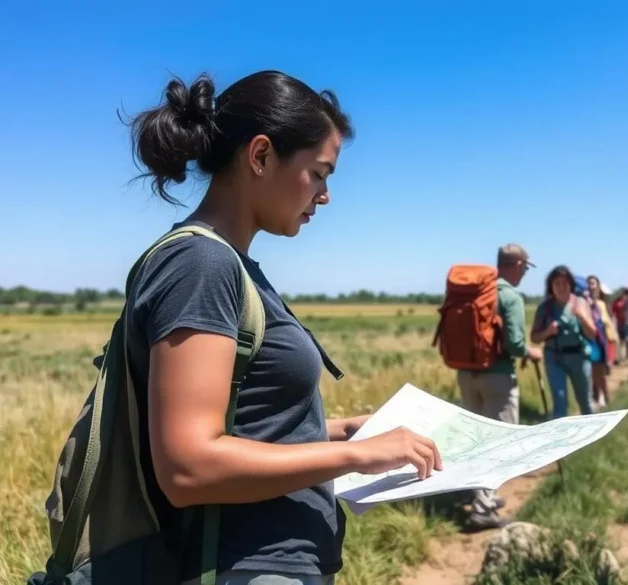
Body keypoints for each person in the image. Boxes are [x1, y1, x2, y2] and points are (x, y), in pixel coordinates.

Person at [121, 70, 442, 585]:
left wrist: (337, 430)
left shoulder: (235, 266)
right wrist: (355, 455)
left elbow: (248, 423)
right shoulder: (201, 265)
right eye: (319, 173)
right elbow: (189, 466)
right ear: (261, 155)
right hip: (244, 564)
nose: (325, 195)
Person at [455, 243, 542, 531]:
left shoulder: (478, 290)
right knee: (499, 443)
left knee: (477, 438)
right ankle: (483, 509)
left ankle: (481, 493)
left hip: (467, 374)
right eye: (525, 269)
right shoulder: (509, 297)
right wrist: (532, 352)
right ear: (517, 265)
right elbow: (516, 344)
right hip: (498, 376)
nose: (524, 274)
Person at [530, 265, 599, 418]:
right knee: (560, 401)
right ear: (551, 286)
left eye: (565, 283)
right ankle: (561, 440)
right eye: (557, 284)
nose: (561, 287)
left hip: (579, 357)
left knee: (585, 402)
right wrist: (547, 332)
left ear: (571, 285)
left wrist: (581, 317)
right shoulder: (545, 307)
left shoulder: (581, 303)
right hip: (554, 358)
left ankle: (592, 437)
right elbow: (534, 338)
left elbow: (593, 334)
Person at [586, 275, 617, 408]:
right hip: (589, 340)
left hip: (603, 341)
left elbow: (607, 324)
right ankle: (596, 398)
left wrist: (612, 341)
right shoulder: (582, 302)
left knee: (601, 373)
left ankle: (605, 398)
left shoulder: (602, 304)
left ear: (598, 287)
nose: (591, 286)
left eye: (593, 283)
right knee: (592, 372)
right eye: (589, 283)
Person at [610, 288, 628, 364]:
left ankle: (626, 357)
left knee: (626, 341)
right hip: (619, 324)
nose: (622, 295)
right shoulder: (617, 302)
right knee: (621, 341)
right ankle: (621, 357)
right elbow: (613, 313)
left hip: (627, 324)